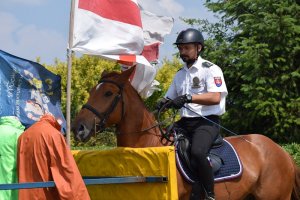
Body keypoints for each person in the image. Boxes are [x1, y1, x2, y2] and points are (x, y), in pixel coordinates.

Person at [157, 28, 228, 200]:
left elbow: (215, 97)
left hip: (207, 122)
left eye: (186, 48)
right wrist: (162, 103)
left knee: (197, 152)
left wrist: (189, 97)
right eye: (180, 49)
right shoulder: (179, 75)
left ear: (199, 48)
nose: (182, 52)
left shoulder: (210, 69)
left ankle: (209, 194)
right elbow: (170, 97)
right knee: (161, 142)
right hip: (185, 122)